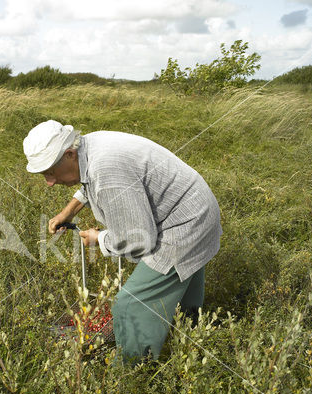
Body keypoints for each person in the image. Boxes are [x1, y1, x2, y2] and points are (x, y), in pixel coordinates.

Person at [23, 120, 222, 362]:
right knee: (181, 284)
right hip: (196, 206)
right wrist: (68, 213)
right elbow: (87, 182)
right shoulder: (88, 146)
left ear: (69, 154)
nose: (50, 182)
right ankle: (189, 334)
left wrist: (100, 239)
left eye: (51, 172)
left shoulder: (106, 171)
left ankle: (132, 375)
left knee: (130, 304)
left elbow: (139, 239)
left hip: (184, 223)